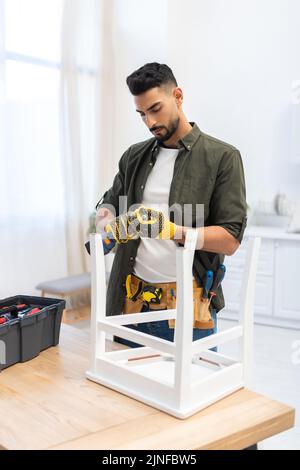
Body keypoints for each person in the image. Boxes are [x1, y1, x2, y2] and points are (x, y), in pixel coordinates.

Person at [95, 62, 247, 347]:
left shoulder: (222, 157)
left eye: (155, 109)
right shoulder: (134, 156)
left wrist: (171, 230)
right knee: (125, 392)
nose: (150, 122)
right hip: (130, 306)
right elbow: (106, 206)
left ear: (177, 96)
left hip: (189, 311)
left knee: (193, 389)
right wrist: (109, 225)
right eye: (141, 114)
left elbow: (230, 240)